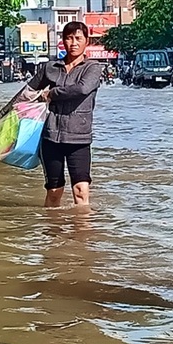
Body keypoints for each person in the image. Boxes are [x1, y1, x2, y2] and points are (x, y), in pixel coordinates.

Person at [25, 21, 103, 208]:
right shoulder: (50, 67)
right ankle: (53, 225)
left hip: (79, 139)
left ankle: (82, 226)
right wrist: (7, 114)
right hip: (50, 137)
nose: (73, 43)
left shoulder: (92, 68)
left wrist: (51, 94)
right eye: (68, 38)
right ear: (62, 41)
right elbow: (27, 92)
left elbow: (82, 89)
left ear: (87, 41)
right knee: (54, 192)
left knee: (81, 190)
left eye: (78, 38)